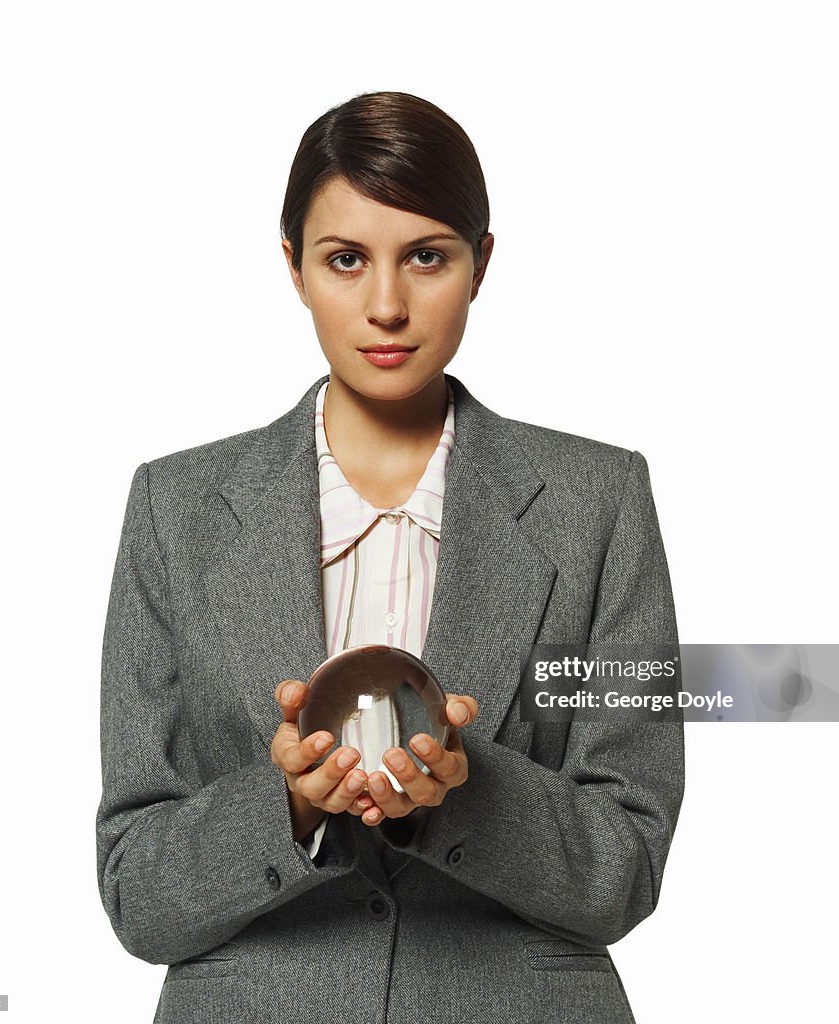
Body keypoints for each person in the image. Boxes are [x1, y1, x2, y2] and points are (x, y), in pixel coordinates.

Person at [96, 90, 685, 1024]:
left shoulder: (599, 503)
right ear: (292, 267)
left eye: (426, 256)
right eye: (345, 260)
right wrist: (285, 805)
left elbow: (627, 864)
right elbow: (137, 890)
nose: (386, 305)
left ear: (481, 264)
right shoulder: (176, 511)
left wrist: (463, 787)